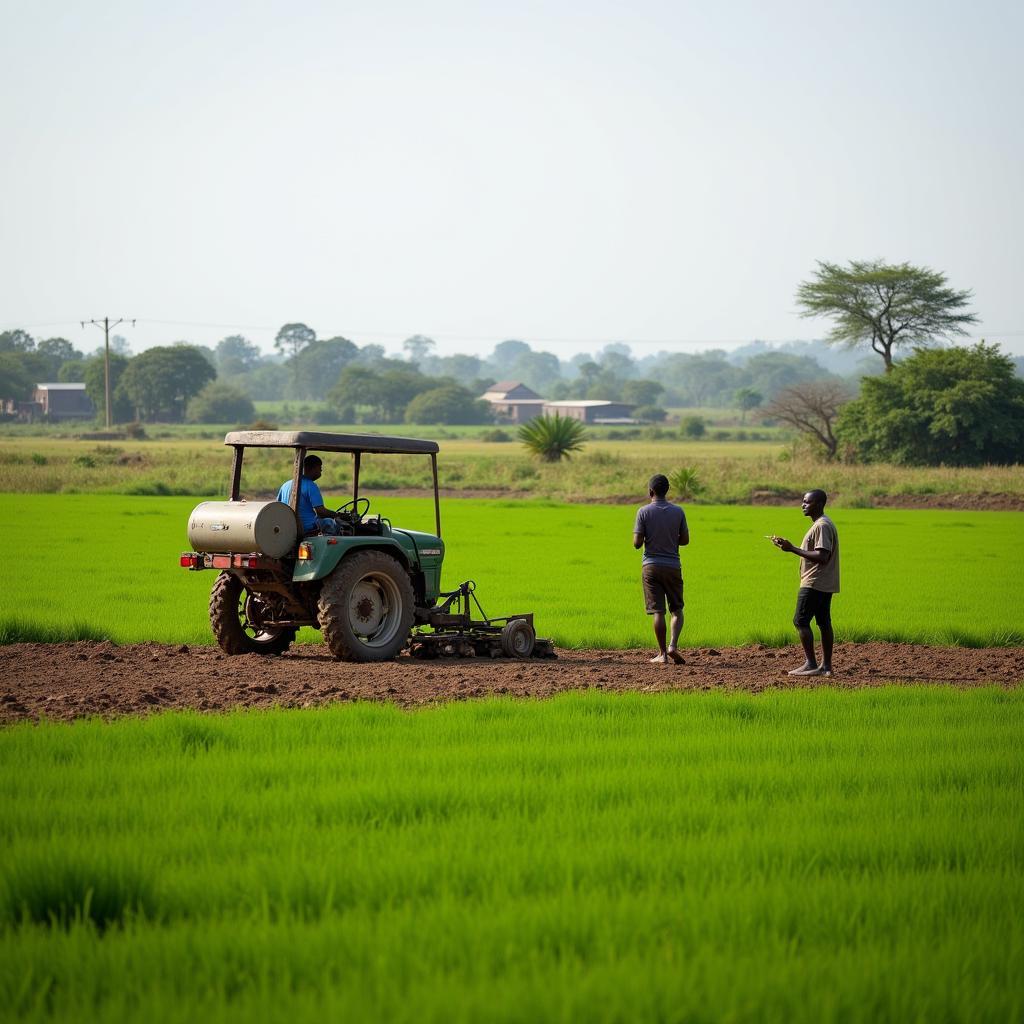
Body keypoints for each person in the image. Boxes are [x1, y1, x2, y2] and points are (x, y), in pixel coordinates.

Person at [771, 489, 839, 676]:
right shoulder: (822, 523)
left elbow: (822, 556)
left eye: (806, 502)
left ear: (818, 504)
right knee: (824, 622)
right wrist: (788, 547)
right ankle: (826, 667)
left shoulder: (822, 525)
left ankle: (811, 664)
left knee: (800, 621)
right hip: (824, 582)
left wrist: (792, 548)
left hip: (815, 582)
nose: (802, 505)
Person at [633, 473, 690, 664]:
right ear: (667, 491)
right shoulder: (678, 511)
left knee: (658, 612)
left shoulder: (643, 512)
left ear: (650, 491)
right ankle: (673, 645)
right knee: (677, 610)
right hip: (673, 566)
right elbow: (685, 540)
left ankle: (662, 654)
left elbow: (636, 543)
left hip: (651, 566)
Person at [277, 454, 342, 536]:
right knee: (333, 524)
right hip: (307, 528)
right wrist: (338, 515)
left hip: (289, 527)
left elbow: (278, 505)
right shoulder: (311, 486)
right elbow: (321, 512)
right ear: (314, 468)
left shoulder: (285, 485)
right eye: (320, 468)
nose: (321, 470)